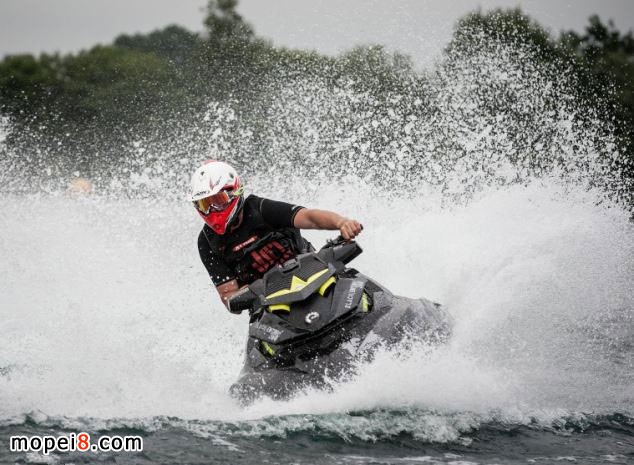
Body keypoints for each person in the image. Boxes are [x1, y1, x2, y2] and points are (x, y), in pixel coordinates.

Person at [190, 160, 363, 311]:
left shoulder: (260, 209)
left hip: (315, 278)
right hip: (270, 307)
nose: (211, 210)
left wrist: (341, 223)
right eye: (204, 204)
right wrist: (250, 293)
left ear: (234, 191)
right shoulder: (206, 242)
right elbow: (228, 294)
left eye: (218, 200)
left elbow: (310, 217)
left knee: (357, 288)